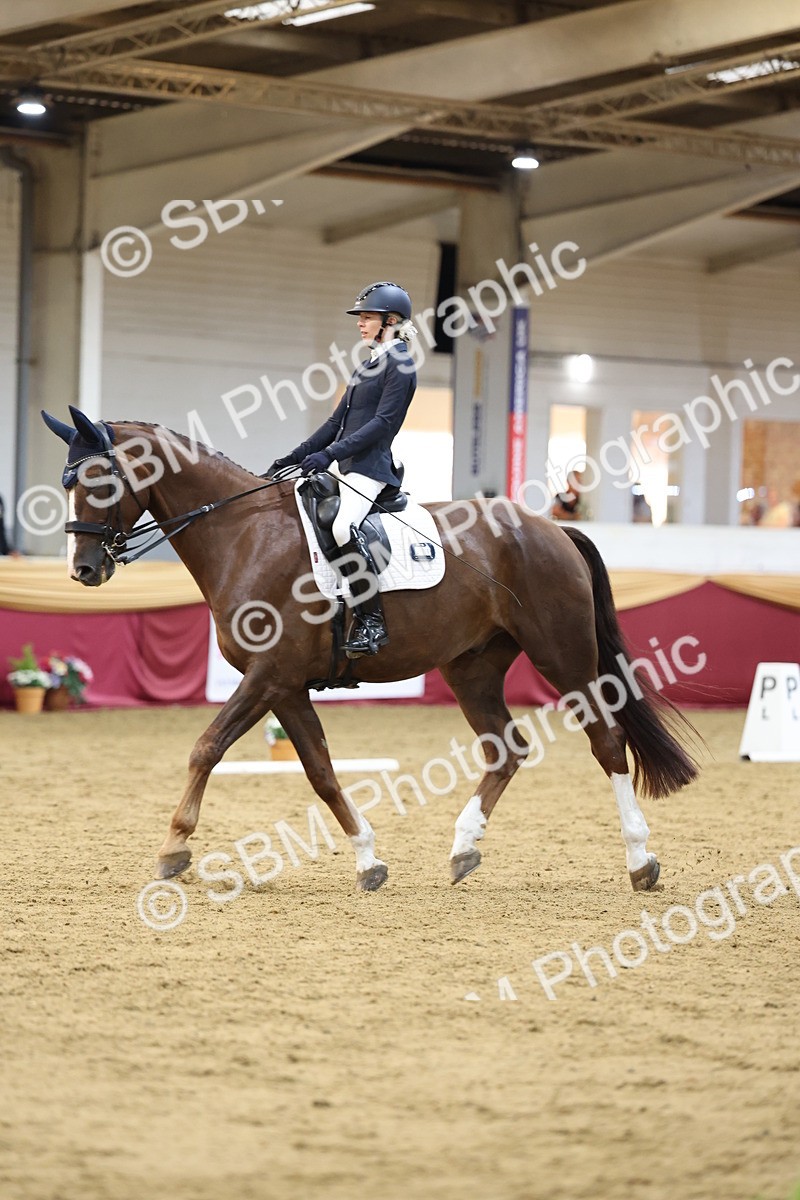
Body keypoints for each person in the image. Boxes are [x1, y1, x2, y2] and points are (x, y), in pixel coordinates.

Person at [267, 281, 417, 657]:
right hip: (348, 467)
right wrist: (294, 456)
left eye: (367, 317)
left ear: (391, 320)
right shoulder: (367, 365)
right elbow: (336, 422)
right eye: (361, 317)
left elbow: (382, 424)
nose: (360, 324)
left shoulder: (400, 364)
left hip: (371, 468)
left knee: (341, 525)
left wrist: (330, 454)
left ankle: (372, 621)